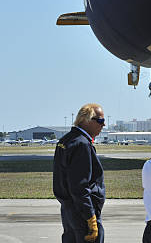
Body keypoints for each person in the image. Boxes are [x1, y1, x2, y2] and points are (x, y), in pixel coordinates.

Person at [53, 103, 106, 243]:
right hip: (83, 215)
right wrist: (90, 217)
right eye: (100, 121)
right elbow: (80, 186)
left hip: (69, 211)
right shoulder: (82, 144)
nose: (103, 124)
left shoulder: (65, 140)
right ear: (87, 121)